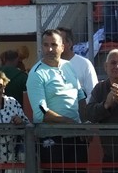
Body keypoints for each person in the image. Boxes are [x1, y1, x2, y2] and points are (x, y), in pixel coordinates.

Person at [26, 29, 87, 173]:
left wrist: (85, 125)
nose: (49, 49)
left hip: (75, 137)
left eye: (53, 44)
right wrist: (71, 123)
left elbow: (81, 98)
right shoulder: (36, 74)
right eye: (46, 45)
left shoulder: (69, 66)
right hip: (52, 138)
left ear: (63, 47)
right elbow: (41, 113)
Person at [59, 26, 98, 99]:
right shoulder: (48, 66)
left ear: (69, 44)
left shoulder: (84, 64)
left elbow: (93, 93)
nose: (55, 45)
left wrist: (82, 106)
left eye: (59, 41)